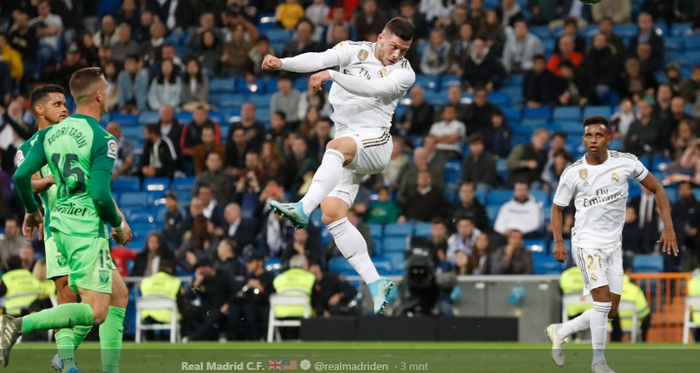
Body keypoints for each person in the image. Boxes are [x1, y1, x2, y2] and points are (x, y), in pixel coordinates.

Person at [262, 17, 416, 315]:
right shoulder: (352, 49)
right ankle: (375, 282)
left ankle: (302, 208)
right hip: (349, 141)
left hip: (375, 142)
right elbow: (317, 59)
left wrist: (332, 74)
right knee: (333, 215)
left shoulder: (404, 74)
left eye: (404, 50)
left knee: (334, 147)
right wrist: (282, 62)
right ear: (381, 37)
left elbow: (368, 91)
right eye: (394, 46)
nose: (397, 54)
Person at [10, 68, 134, 372]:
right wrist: (53, 180)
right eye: (56, 104)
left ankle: (96, 365)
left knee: (117, 295)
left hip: (87, 225)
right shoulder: (28, 147)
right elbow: (29, 179)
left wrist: (118, 217)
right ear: (39, 109)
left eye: (65, 103)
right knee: (70, 296)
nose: (63, 108)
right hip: (61, 228)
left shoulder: (69, 136)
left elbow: (97, 185)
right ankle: (66, 362)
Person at [547, 116, 678, 373]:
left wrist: (669, 227)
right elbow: (556, 208)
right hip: (586, 244)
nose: (593, 140)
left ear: (609, 138)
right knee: (603, 303)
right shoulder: (573, 172)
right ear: (583, 139)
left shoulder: (626, 163)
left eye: (598, 135)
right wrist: (558, 241)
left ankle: (560, 331)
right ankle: (599, 363)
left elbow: (658, 190)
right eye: (588, 136)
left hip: (613, 246)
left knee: (610, 312)